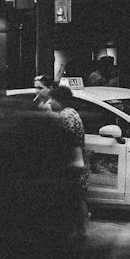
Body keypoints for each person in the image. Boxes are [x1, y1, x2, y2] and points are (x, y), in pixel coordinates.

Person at [44, 80, 89, 236]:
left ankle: (78, 230)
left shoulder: (66, 115)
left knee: (74, 198)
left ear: (59, 100)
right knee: (77, 197)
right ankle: (79, 229)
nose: (50, 102)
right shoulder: (71, 112)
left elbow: (64, 138)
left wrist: (50, 117)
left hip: (72, 163)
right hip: (77, 161)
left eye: (53, 99)